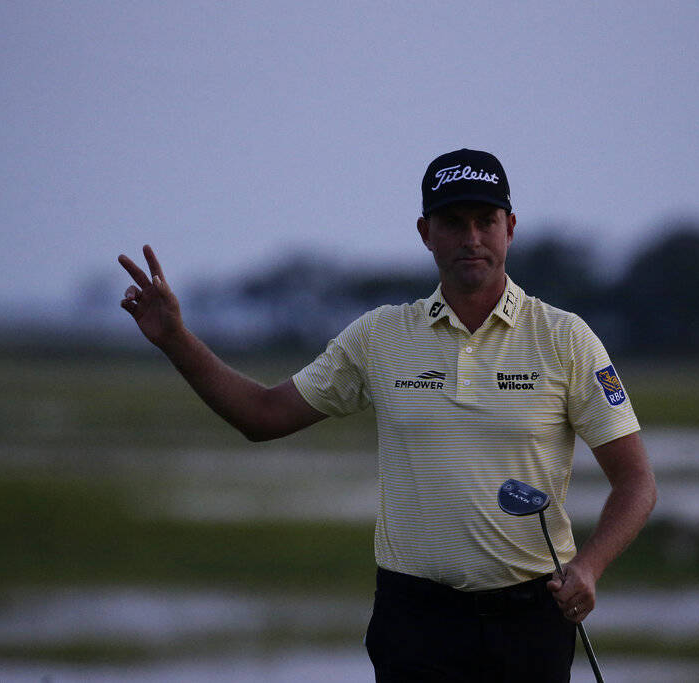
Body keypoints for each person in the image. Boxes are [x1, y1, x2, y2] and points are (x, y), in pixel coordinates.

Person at [119, 148, 656, 682]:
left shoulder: (565, 338)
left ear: (509, 228)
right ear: (425, 232)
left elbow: (635, 482)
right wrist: (174, 339)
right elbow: (261, 415)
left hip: (530, 617)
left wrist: (589, 567)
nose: (471, 238)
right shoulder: (380, 336)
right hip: (416, 619)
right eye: (452, 222)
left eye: (485, 221)